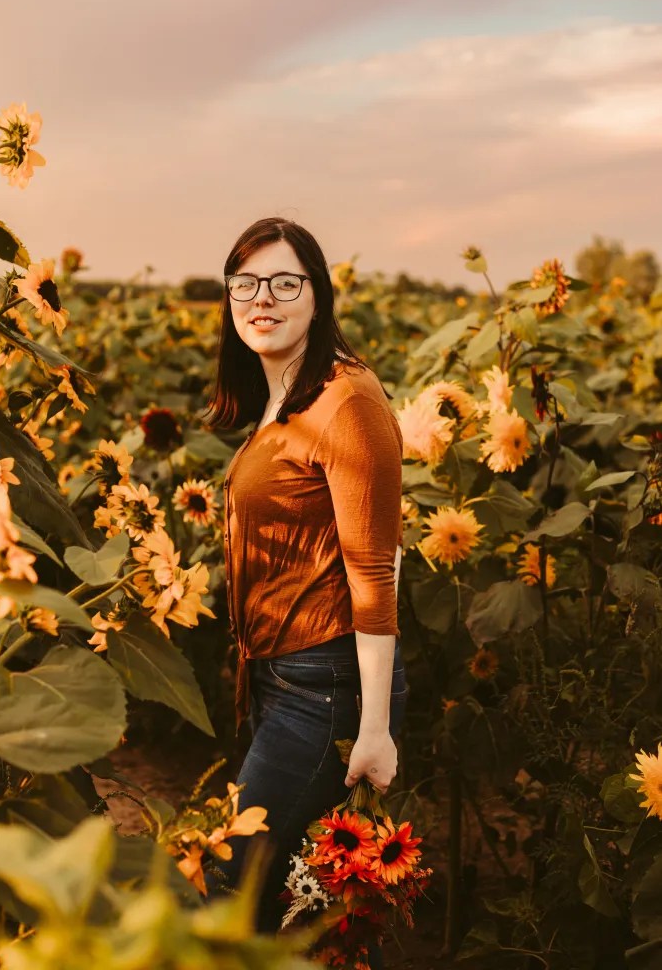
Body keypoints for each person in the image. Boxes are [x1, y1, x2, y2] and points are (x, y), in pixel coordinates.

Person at [202, 216, 407, 965]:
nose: (263, 299)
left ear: (318, 296)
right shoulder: (284, 392)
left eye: (285, 283)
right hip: (283, 678)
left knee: (232, 888)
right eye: (246, 283)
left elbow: (375, 567)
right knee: (282, 902)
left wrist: (374, 727)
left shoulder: (346, 401)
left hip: (326, 690)